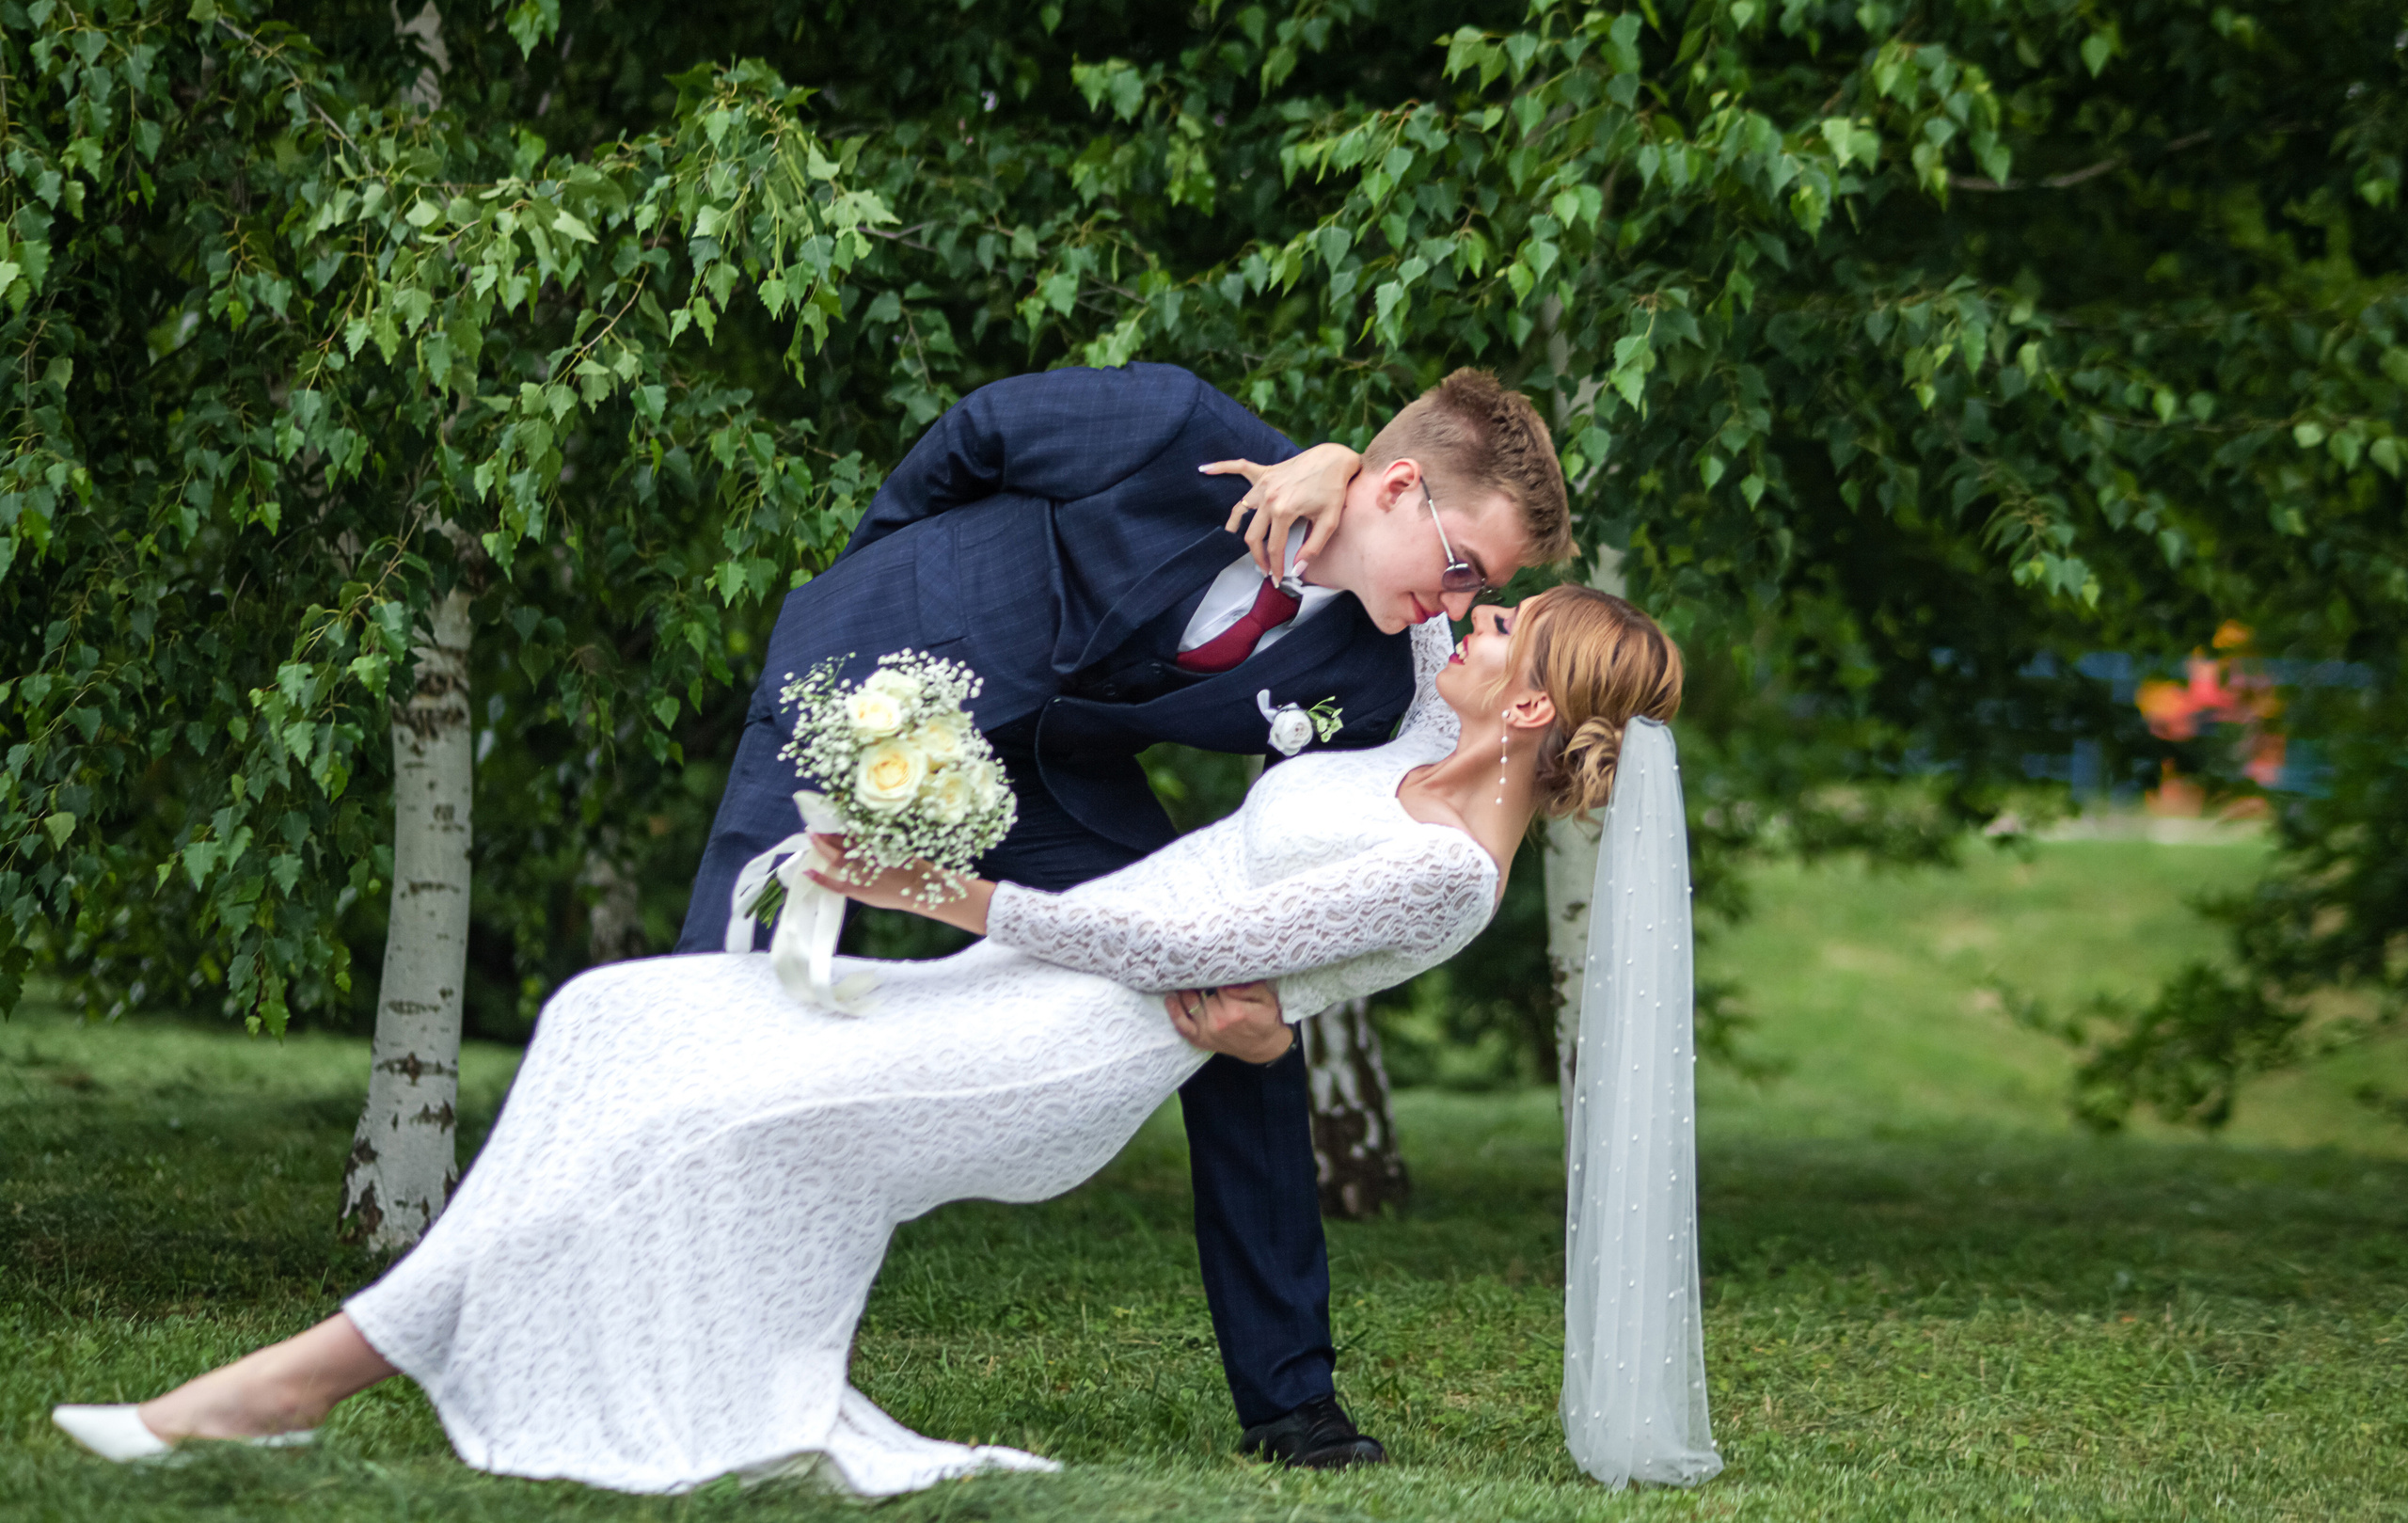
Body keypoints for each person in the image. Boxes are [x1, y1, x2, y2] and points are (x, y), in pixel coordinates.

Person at [55, 586, 1689, 1499]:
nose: (1463, 628)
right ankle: (385, 1363)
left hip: (1062, 1048)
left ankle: (295, 1381)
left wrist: (955, 893)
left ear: (1532, 713)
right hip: (1031, 989)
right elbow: (1414, 558)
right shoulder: (1430, 745)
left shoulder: (1441, 861)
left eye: (1497, 631)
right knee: (619, 1012)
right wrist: (1342, 470)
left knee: (678, 1121)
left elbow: (1194, 956)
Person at [677, 359, 1574, 1468]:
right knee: (737, 973)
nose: (1454, 605)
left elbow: (1489, 757)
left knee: (1236, 1017)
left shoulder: (1386, 672)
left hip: (1058, 782)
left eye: (1475, 590)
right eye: (1459, 569)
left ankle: (1293, 1407)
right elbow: (974, 434)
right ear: (1396, 490)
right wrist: (891, 595)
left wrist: (1276, 1017)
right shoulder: (1173, 427)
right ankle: (686, 1314)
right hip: (870, 686)